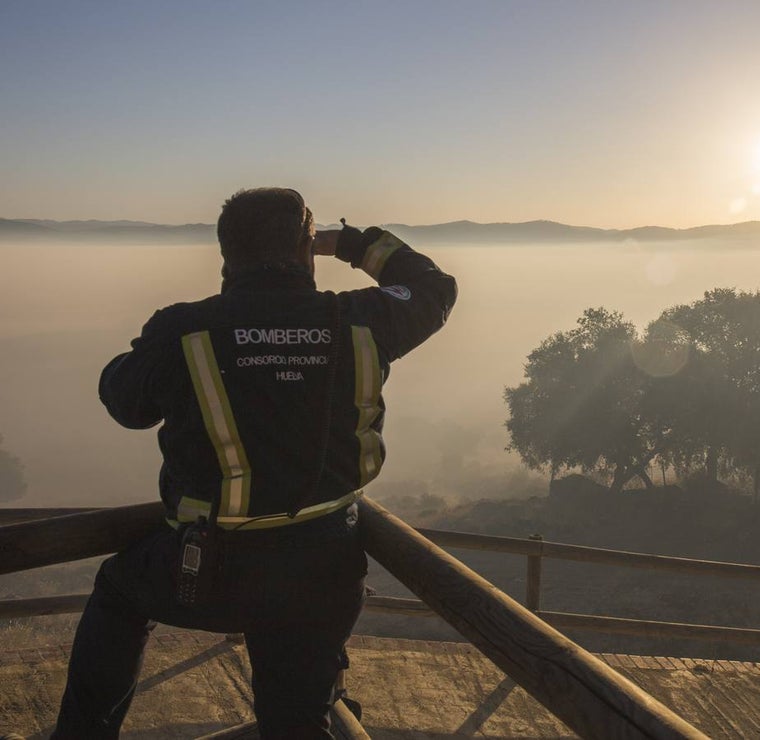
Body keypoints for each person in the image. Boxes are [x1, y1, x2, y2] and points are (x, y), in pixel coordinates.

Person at [52, 188, 457, 738]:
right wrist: (354, 246)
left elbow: (125, 404)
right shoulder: (361, 319)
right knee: (295, 725)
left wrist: (136, 356)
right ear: (304, 249)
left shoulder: (183, 331)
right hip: (326, 572)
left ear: (225, 254)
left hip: (208, 575)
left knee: (120, 590)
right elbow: (436, 289)